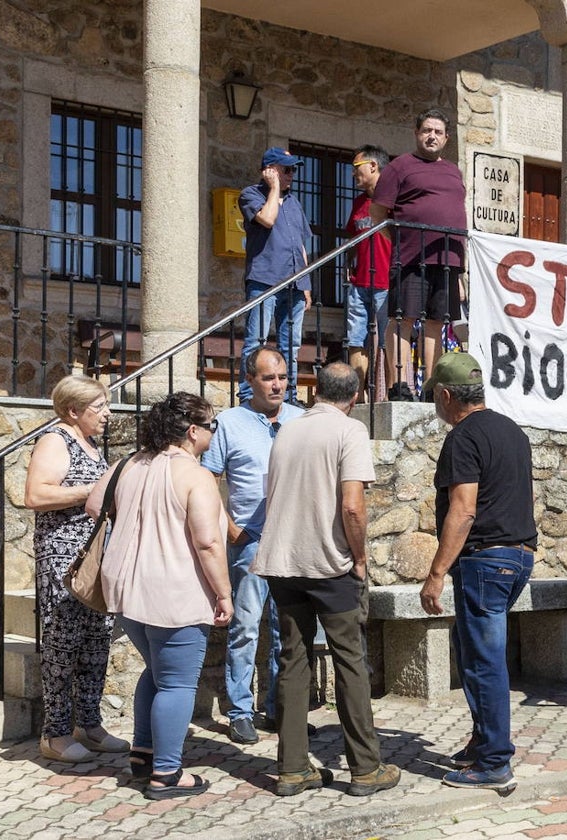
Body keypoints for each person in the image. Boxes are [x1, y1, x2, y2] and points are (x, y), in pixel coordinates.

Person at [251, 362, 400, 798]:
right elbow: (352, 506)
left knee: (292, 660)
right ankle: (366, 767)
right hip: (328, 563)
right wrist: (358, 558)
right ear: (354, 397)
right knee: (350, 662)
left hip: (281, 560)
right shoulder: (348, 431)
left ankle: (293, 768)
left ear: (316, 390)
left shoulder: (289, 428)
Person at [86, 393, 233, 799]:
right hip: (173, 590)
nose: (213, 433)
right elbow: (207, 543)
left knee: (156, 673)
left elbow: (94, 504)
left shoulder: (129, 462)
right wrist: (224, 594)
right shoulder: (195, 476)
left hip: (126, 588)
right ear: (192, 431)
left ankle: (144, 754)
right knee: (177, 684)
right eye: (211, 425)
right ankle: (167, 774)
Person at [419, 352, 537, 793]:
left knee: (483, 662)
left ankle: (493, 762)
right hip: (517, 555)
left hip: (485, 559)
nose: (435, 402)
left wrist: (435, 573)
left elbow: (464, 510)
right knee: (474, 656)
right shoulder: (512, 431)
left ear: (447, 395)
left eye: (435, 395)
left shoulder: (463, 438)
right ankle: (483, 741)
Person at [201, 347, 305, 746]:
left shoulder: (300, 418)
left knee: (288, 628)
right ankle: (240, 712)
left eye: (282, 376)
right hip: (250, 540)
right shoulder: (229, 422)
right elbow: (208, 479)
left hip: (294, 539)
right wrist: (230, 530)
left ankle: (281, 709)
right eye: (268, 377)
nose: (277, 384)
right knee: (245, 626)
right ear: (250, 380)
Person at [23, 375, 126, 763]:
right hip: (63, 561)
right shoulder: (55, 439)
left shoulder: (90, 443)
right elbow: (36, 494)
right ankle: (56, 733)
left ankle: (90, 724)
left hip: (93, 558)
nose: (108, 414)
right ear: (73, 410)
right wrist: (96, 488)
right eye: (100, 407)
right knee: (62, 646)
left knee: (95, 644)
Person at [371, 109, 467, 400]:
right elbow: (378, 215)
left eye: (438, 132)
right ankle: (400, 384)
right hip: (411, 258)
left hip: (448, 261)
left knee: (437, 323)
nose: (432, 136)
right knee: (403, 319)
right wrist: (403, 240)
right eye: (427, 130)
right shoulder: (400, 167)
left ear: (446, 138)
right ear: (416, 133)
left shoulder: (453, 171)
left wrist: (462, 272)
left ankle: (431, 385)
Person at [238, 148, 312, 403]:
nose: (291, 175)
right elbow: (267, 219)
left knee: (290, 345)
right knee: (256, 341)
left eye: (293, 170)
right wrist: (273, 189)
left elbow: (301, 244)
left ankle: (289, 396)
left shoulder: (294, 202)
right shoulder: (251, 194)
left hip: (295, 283)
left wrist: (307, 285)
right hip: (264, 280)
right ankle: (248, 394)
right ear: (269, 170)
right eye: (286, 169)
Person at [346, 144, 393, 402]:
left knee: (387, 343)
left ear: (373, 166)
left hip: (387, 282)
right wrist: (349, 263)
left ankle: (387, 396)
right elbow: (353, 237)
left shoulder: (394, 199)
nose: (353, 173)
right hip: (359, 283)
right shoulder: (358, 202)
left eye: (356, 167)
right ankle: (357, 396)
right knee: (356, 340)